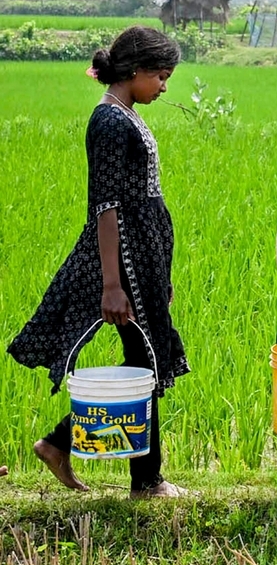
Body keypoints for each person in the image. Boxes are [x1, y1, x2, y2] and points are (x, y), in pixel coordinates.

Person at [8, 26, 186, 498]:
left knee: (145, 356)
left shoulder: (125, 113)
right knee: (148, 357)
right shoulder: (109, 121)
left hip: (140, 256)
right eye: (162, 77)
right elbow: (105, 205)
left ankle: (61, 443)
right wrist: (113, 283)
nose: (165, 87)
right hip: (123, 255)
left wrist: (158, 274)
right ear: (134, 71)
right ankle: (144, 480)